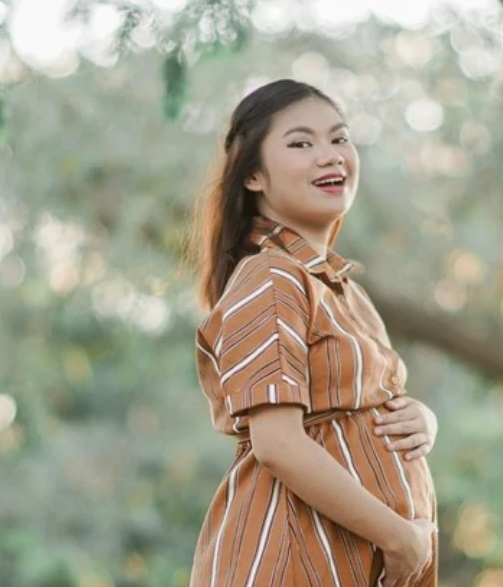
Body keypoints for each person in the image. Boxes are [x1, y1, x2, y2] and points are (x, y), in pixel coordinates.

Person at [187, 78, 439, 587]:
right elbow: (277, 442)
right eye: (301, 143)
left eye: (339, 138)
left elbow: (361, 407)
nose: (330, 156)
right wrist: (397, 536)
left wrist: (422, 420)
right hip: (294, 559)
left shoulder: (340, 288)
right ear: (253, 174)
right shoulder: (270, 277)